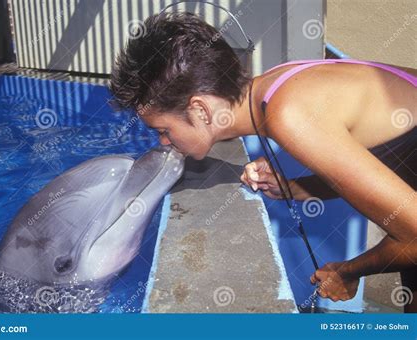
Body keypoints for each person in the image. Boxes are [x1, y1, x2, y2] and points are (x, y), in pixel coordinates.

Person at [109, 12, 417, 312]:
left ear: (201, 111)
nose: (163, 141)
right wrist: (294, 189)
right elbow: (372, 165)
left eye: (163, 130)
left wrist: (348, 272)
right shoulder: (276, 84)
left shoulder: (288, 115)